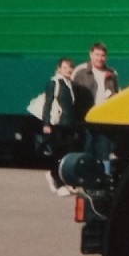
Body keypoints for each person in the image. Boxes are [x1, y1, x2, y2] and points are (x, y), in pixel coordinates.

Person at [72, 42, 119, 174]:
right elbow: (73, 96)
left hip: (104, 119)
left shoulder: (112, 73)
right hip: (86, 119)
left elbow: (116, 95)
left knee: (105, 152)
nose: (100, 58)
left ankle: (105, 178)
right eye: (97, 55)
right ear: (91, 55)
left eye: (103, 55)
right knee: (87, 150)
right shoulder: (80, 72)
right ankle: (86, 177)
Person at [41, 58, 79, 196]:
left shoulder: (70, 85)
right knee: (57, 154)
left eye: (70, 67)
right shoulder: (54, 83)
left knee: (66, 155)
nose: (68, 70)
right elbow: (48, 104)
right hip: (57, 125)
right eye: (65, 67)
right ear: (59, 69)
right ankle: (56, 180)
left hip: (68, 126)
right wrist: (46, 123)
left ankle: (65, 181)